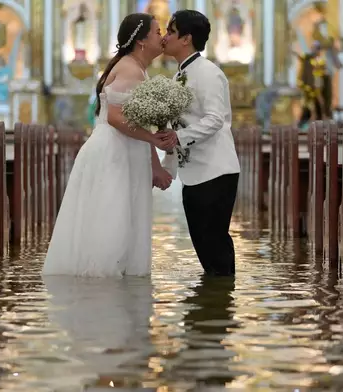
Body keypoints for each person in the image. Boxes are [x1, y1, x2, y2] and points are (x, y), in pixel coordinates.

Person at [42, 13, 176, 277]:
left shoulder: (136, 67)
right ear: (141, 41)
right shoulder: (129, 68)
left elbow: (139, 121)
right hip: (114, 152)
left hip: (124, 149)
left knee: (120, 218)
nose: (161, 38)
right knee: (111, 219)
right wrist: (153, 140)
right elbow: (116, 117)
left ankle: (118, 287)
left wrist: (154, 163)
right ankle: (105, 294)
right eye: (157, 32)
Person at [160, 10, 241, 276]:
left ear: (186, 39)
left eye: (171, 32)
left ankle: (221, 309)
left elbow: (215, 119)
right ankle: (212, 309)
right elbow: (176, 127)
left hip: (216, 171)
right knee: (204, 250)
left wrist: (178, 138)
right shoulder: (178, 77)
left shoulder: (208, 73)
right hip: (193, 175)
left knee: (215, 247)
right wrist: (167, 169)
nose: (165, 37)